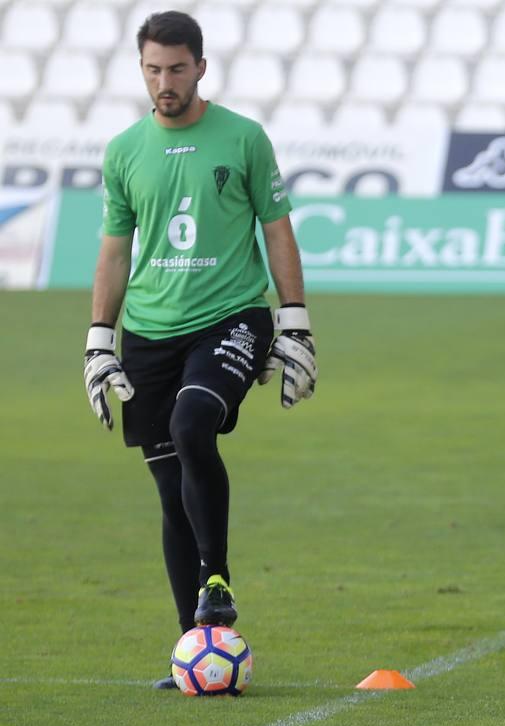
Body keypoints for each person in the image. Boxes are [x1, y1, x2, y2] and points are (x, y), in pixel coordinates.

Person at [82, 11, 317, 689]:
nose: (165, 82)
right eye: (153, 69)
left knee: (193, 427)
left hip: (231, 317)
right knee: (167, 488)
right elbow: (114, 249)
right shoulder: (125, 150)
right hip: (150, 332)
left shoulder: (243, 138)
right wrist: (100, 339)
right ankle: (198, 648)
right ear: (142, 70)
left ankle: (217, 581)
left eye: (177, 69)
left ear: (201, 69)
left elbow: (277, 230)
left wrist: (294, 320)